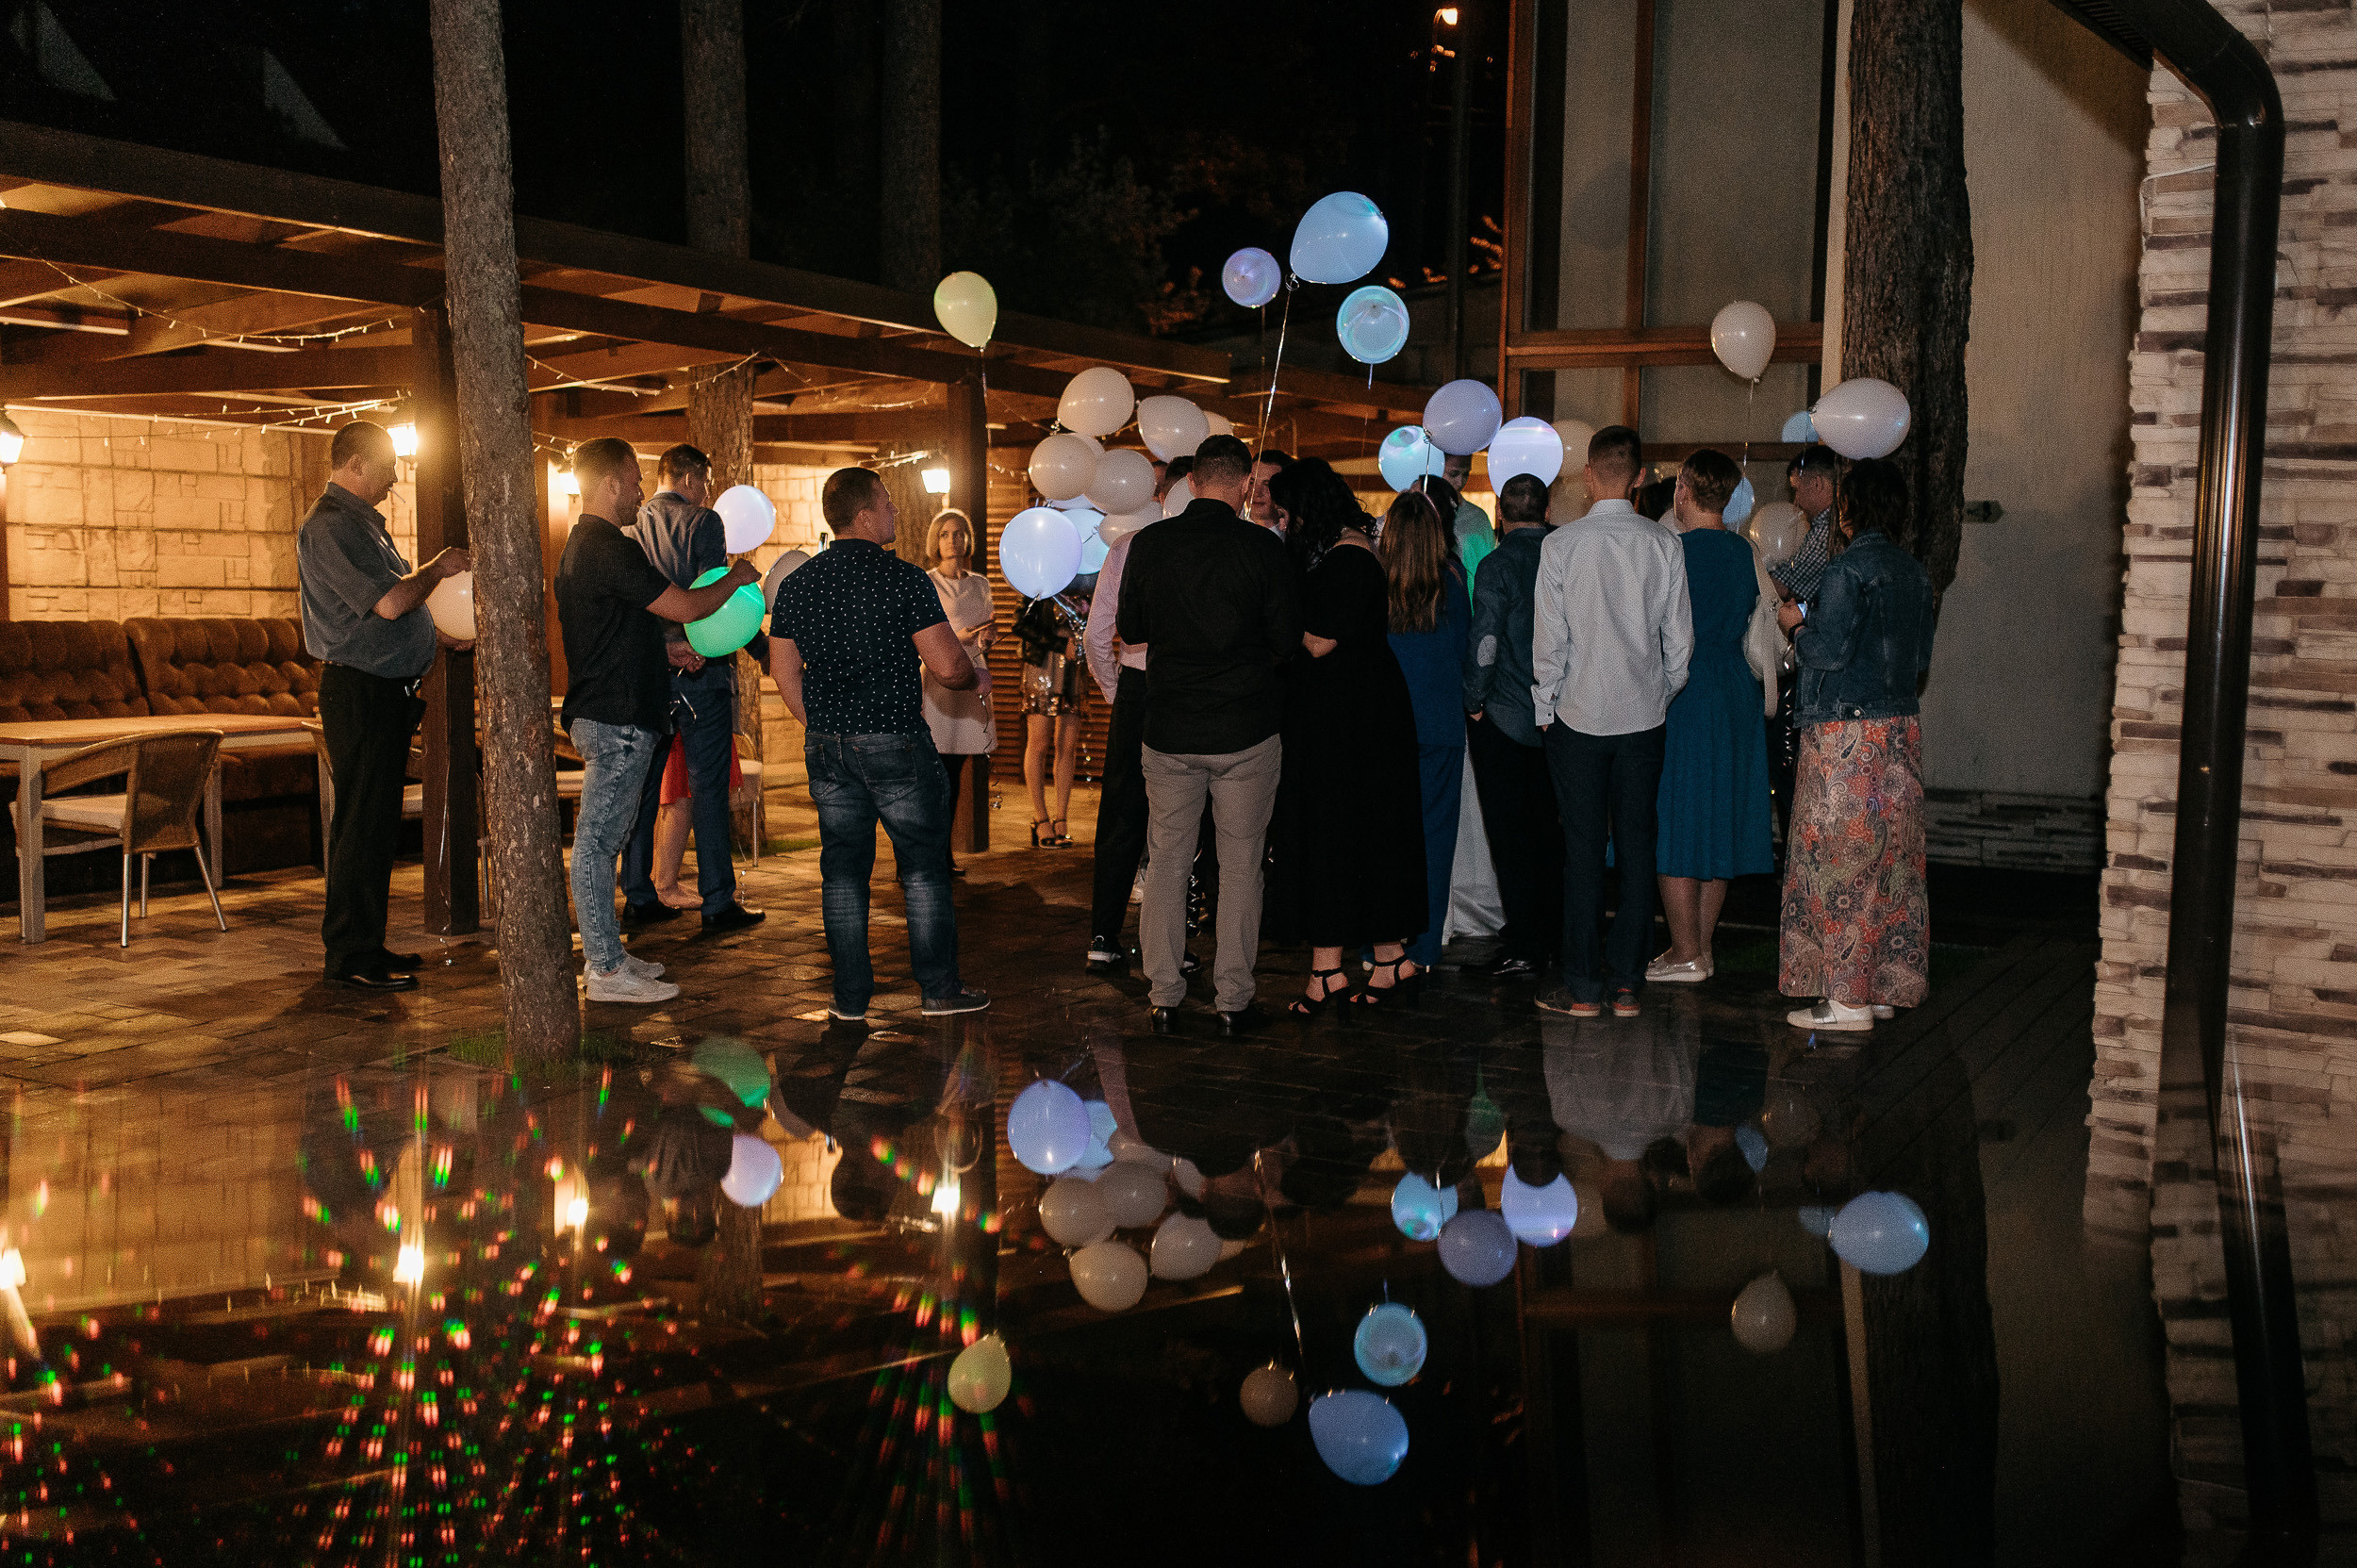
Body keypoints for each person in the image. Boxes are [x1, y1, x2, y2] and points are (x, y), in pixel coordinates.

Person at [769, 467, 991, 1021]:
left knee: (842, 870)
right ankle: (938, 989)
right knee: (921, 867)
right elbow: (944, 664)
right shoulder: (903, 580)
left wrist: (818, 722)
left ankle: (849, 998)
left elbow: (783, 669)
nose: (895, 512)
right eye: (888, 503)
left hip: (827, 743)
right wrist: (970, 676)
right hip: (894, 739)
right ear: (865, 515)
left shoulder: (799, 584)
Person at [554, 437, 758, 1005]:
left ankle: (613, 956)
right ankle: (602, 969)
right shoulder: (605, 547)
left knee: (611, 836)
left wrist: (670, 655)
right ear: (610, 484)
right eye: (634, 481)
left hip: (616, 709)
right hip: (616, 717)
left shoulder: (589, 548)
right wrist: (736, 579)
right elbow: (686, 607)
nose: (641, 493)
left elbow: (613, 635)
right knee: (597, 844)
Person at [1117, 433, 1300, 1033]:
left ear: (1191, 482)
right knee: (1243, 865)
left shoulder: (1149, 544)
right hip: (1245, 727)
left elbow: (1132, 627)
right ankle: (1232, 1000)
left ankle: (1165, 994)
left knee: (1168, 862)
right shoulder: (1264, 548)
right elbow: (1282, 641)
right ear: (1246, 485)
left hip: (1169, 726)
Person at [298, 421, 471, 993]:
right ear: (354, 464)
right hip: (359, 691)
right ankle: (349, 952)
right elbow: (392, 602)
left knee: (376, 826)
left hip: (385, 690)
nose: (395, 475)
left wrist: (439, 638)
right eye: (387, 463)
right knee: (359, 823)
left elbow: (396, 609)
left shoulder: (365, 527)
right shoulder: (329, 529)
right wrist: (440, 567)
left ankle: (367, 940)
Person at [1529, 425, 1692, 1019]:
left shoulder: (1562, 546)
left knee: (1581, 852)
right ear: (1642, 476)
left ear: (1589, 475)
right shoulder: (1663, 544)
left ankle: (1582, 987)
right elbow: (1681, 642)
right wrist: (1659, 693)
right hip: (1644, 717)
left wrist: (1545, 705)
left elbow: (1550, 640)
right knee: (1637, 846)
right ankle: (1627, 984)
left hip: (1577, 717)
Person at [1775, 456, 1937, 1032]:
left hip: (1846, 739)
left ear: (1849, 508)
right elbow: (1918, 663)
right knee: (1890, 860)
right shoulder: (1916, 574)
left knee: (1839, 861)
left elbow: (1827, 651)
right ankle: (1879, 988)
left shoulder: (1847, 571)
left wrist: (1794, 623)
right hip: (1898, 733)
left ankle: (1844, 1001)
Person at [1266, 459, 1426, 1013]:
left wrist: (1273, 608)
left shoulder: (1348, 560)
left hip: (1353, 722)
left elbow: (1317, 642)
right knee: (1359, 835)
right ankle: (1365, 961)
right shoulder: (1349, 551)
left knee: (1341, 835)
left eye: (1287, 514)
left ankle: (1352, 965)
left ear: (1307, 509)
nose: (1284, 525)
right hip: (1356, 718)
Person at [619, 444, 766, 934]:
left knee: (644, 786)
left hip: (649, 669)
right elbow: (715, 597)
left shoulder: (630, 525)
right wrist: (764, 651)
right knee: (707, 785)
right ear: (691, 477)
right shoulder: (704, 523)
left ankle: (639, 892)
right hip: (702, 668)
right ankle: (717, 900)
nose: (708, 490)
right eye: (705, 480)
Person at [1650, 449, 1779, 982]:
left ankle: (1684, 952)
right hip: (1735, 691)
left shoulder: (1671, 553)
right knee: (1722, 816)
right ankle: (1701, 947)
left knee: (1677, 818)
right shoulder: (1746, 555)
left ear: (1683, 490)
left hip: (1686, 690)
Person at [1462, 471, 1564, 981]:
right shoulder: (1567, 555)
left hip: (1504, 715)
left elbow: (1486, 641)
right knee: (1553, 830)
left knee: (1511, 835)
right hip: (1562, 716)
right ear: (1546, 509)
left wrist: (1474, 700)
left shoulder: (1498, 563)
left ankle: (1525, 941)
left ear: (1501, 514)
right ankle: (1553, 933)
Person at [1377, 487, 1470, 978]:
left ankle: (1381, 946)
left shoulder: (1376, 580)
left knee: (1385, 840)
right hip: (1439, 723)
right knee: (1435, 840)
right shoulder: (1450, 579)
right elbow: (1464, 651)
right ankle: (1424, 949)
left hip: (1385, 726)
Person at [1769, 444, 1844, 829]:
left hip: (1818, 657)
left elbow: (1788, 586)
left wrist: (1757, 571)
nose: (1795, 499)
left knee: (1790, 760)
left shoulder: (1827, 528)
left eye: (1797, 488)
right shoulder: (1836, 525)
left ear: (1817, 483)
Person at [921, 508, 997, 874]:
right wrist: (960, 637)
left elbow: (987, 625)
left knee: (955, 770)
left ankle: (943, 854)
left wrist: (986, 638)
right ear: (935, 541)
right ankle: (922, 856)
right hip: (939, 676)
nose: (954, 540)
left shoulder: (980, 583)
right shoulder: (927, 581)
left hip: (972, 674)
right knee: (934, 770)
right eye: (946, 534)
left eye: (959, 533)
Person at [1013, 586, 1086, 847]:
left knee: (1067, 745)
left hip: (1074, 665)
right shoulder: (1038, 580)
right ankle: (1040, 818)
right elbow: (1020, 624)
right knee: (1039, 742)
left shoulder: (1085, 581)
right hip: (1043, 663)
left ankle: (1061, 817)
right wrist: (1059, 644)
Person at [1440, 450, 1497, 586]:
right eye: (1453, 474)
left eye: (1466, 474)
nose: (1460, 482)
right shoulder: (1422, 513)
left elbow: (1490, 566)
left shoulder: (1478, 516)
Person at [1247, 449, 1292, 536]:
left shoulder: (1294, 539)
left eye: (1267, 484)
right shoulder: (1233, 534)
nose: (1256, 492)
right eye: (1251, 483)